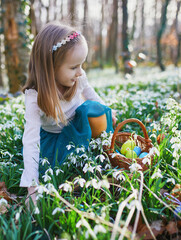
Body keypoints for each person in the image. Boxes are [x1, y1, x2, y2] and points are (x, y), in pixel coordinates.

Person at [20, 22, 116, 205]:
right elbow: (31, 141)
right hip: (55, 139)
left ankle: (104, 147)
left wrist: (109, 113)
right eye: (74, 67)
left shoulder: (78, 78)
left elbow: (92, 96)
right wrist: (31, 187)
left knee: (90, 109)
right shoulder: (35, 98)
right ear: (50, 67)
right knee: (59, 166)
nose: (80, 72)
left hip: (79, 127)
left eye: (81, 65)